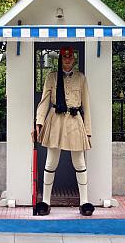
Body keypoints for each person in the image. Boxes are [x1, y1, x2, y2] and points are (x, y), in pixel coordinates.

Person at [32, 46, 94, 216]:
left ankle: (84, 202)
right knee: (51, 162)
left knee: (79, 162)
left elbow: (86, 106)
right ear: (60, 58)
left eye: (70, 57)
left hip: (75, 120)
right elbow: (44, 101)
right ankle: (45, 201)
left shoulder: (81, 78)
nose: (67, 60)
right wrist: (38, 122)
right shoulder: (52, 77)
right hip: (56, 120)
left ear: (74, 59)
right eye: (64, 57)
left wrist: (88, 131)